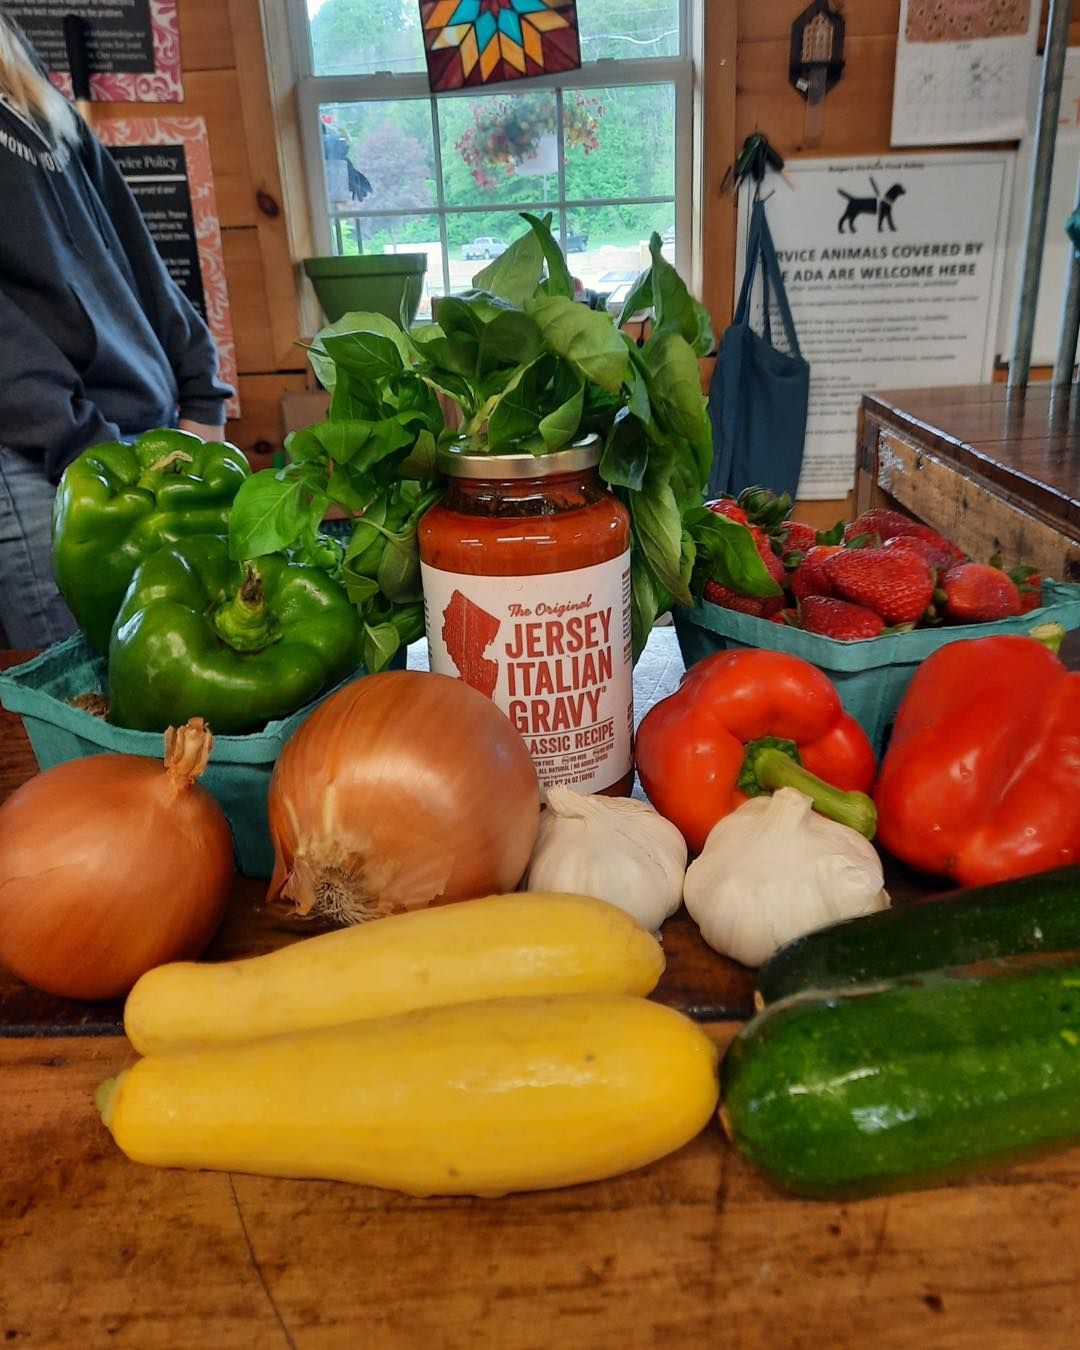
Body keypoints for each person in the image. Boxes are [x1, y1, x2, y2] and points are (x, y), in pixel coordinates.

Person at [0, 15, 233, 649]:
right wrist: (79, 442)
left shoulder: (23, 76)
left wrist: (201, 390)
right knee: (87, 686)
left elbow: (130, 247)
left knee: (165, 667)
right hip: (41, 456)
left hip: (141, 435)